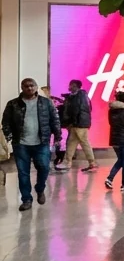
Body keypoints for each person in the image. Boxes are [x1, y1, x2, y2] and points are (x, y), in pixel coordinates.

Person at [3, 78, 62, 210]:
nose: (29, 88)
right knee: (23, 173)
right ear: (22, 88)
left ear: (36, 87)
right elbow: (6, 121)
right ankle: (26, 200)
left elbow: (55, 120)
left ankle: (40, 188)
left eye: (32, 86)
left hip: (41, 142)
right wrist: (9, 135)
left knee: (44, 168)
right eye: (26, 86)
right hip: (21, 144)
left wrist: (58, 135)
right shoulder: (13, 104)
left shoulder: (46, 103)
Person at [55, 79, 96, 172]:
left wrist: (71, 122)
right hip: (79, 123)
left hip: (78, 124)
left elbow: (75, 110)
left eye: (72, 85)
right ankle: (88, 162)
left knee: (81, 142)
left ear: (77, 86)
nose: (70, 87)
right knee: (73, 142)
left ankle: (70, 162)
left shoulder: (78, 97)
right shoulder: (82, 96)